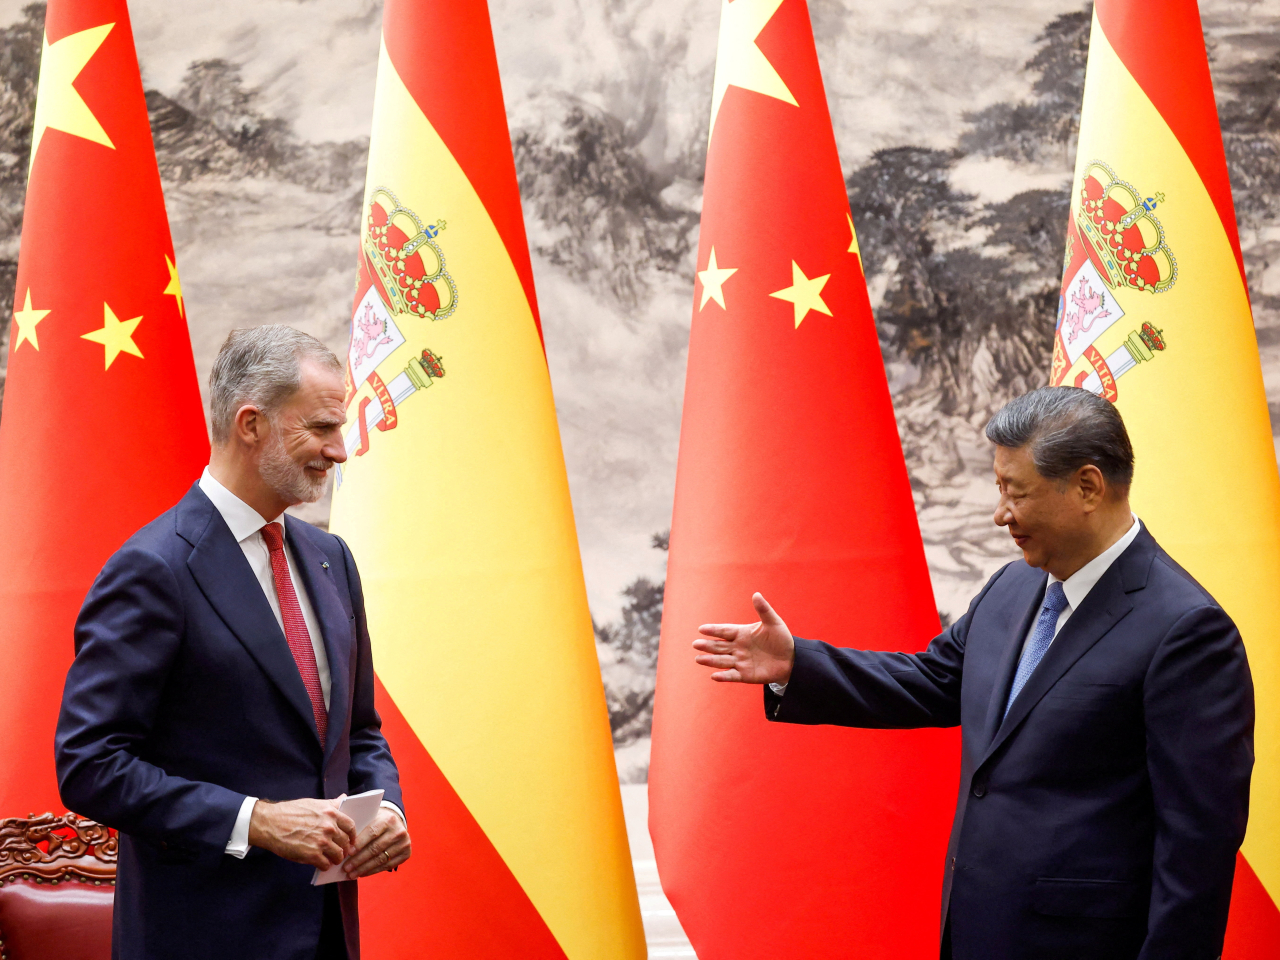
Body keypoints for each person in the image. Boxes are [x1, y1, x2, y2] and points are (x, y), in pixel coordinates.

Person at [692, 386, 1253, 960]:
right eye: (998, 489)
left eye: (1017, 493)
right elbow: (932, 682)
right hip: (974, 929)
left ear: (1088, 486)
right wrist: (798, 665)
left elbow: (1197, 851)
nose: (1000, 514)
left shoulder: (1186, 631)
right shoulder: (1012, 588)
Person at [56, 326, 410, 960]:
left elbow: (358, 732)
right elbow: (90, 765)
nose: (341, 450)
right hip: (204, 936)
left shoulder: (331, 559)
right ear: (251, 425)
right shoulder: (153, 569)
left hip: (328, 935)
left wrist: (389, 814)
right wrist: (258, 821)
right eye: (323, 428)